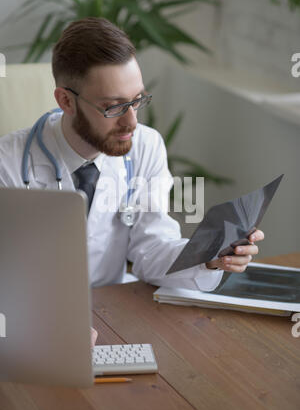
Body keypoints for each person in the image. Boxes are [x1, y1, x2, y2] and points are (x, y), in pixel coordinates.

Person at [0, 18, 264, 345]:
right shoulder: (8, 165)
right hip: (31, 331)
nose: (132, 121)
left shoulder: (146, 147)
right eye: (113, 107)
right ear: (66, 101)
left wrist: (209, 255)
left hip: (113, 316)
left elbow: (151, 247)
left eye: (137, 100)